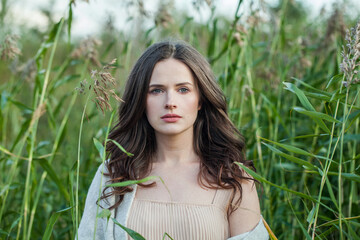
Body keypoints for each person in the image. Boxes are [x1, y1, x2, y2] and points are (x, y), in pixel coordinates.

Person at [77, 40, 269, 240]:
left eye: (183, 89)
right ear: (141, 100)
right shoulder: (113, 175)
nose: (170, 103)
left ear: (201, 99)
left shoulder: (234, 179)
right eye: (156, 90)